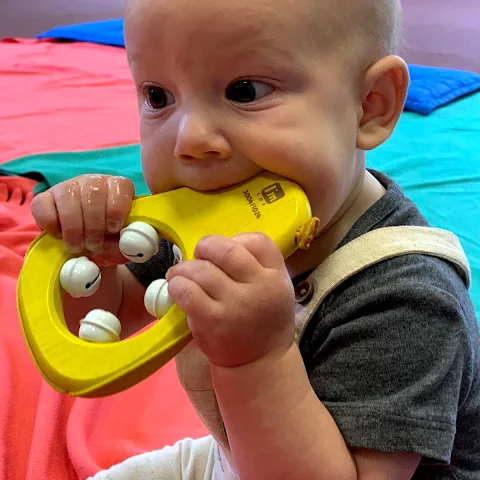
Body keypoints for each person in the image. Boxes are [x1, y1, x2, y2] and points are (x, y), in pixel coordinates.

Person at [31, 0, 480, 477]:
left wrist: (258, 358)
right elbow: (109, 313)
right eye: (159, 97)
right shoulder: (209, 220)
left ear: (370, 105)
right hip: (240, 457)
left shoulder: (406, 299)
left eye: (244, 91)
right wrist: (85, 254)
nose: (191, 138)